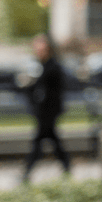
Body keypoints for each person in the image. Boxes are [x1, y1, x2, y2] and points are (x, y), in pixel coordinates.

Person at [21, 34, 71, 183]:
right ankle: (66, 167)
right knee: (53, 141)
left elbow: (51, 92)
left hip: (49, 112)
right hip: (45, 112)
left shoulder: (52, 67)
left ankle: (27, 171)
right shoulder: (43, 66)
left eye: (40, 48)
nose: (37, 51)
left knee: (40, 142)